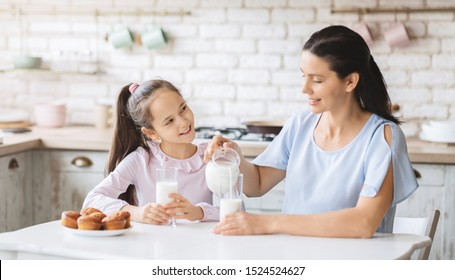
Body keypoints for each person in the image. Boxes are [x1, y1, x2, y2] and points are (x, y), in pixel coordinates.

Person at [204, 25, 418, 238]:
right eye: (303, 76)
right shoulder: (301, 124)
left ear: (350, 81)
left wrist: (269, 222)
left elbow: (363, 223)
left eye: (317, 80)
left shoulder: (382, 137)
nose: (305, 89)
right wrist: (233, 157)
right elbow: (257, 183)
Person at [83, 79, 218, 224]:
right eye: (169, 121)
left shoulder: (211, 155)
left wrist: (200, 212)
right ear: (151, 133)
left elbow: (235, 209)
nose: (183, 122)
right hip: (151, 244)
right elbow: (92, 200)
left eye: (183, 108)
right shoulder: (141, 160)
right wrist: (136, 212)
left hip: (200, 244)